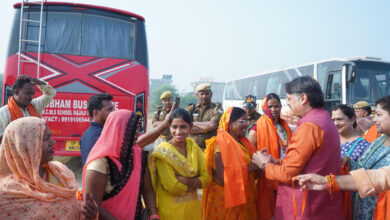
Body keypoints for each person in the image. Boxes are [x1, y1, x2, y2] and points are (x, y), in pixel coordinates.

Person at [252, 76, 343, 220]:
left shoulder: (309, 127)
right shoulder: (324, 120)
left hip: (304, 205)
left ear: (303, 98)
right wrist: (276, 162)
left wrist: (264, 164)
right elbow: (310, 163)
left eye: (289, 99)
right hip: (321, 201)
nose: (287, 104)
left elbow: (288, 174)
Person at [297, 95, 390, 220]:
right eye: (333, 120)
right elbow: (364, 169)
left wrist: (328, 182)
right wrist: (348, 162)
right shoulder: (379, 141)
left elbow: (379, 178)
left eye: (379, 115)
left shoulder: (365, 143)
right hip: (362, 205)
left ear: (351, 120)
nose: (374, 120)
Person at [0, 117, 98, 219]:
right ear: (24, 146)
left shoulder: (61, 173)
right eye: (46, 138)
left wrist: (88, 216)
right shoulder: (7, 195)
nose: (53, 142)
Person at [83, 109, 166, 220]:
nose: (137, 134)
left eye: (137, 129)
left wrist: (153, 213)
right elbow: (93, 206)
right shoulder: (99, 164)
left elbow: (147, 189)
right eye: (132, 129)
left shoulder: (138, 156)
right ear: (117, 131)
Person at [148, 108, 210, 220]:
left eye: (183, 127)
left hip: (193, 209)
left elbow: (206, 180)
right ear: (169, 127)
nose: (178, 132)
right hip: (171, 210)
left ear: (190, 127)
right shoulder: (163, 152)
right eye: (174, 127)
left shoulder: (193, 147)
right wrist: (196, 182)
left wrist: (185, 180)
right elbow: (171, 186)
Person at [202, 107, 259, 220]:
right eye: (242, 121)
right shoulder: (219, 145)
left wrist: (261, 163)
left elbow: (253, 176)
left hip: (244, 199)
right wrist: (250, 167)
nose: (246, 124)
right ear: (230, 122)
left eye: (247, 121)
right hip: (225, 201)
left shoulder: (245, 144)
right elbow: (222, 179)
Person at [247, 93, 292, 220]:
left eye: (277, 106)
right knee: (268, 211)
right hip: (266, 175)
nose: (274, 110)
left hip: (285, 171)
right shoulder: (256, 128)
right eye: (270, 106)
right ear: (264, 107)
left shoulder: (285, 126)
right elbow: (250, 153)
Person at [80, 93, 114, 167]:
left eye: (113, 109)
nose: (113, 112)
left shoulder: (87, 133)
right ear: (96, 113)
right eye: (109, 109)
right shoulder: (101, 136)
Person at [186, 83, 223, 149]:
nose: (204, 96)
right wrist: (206, 128)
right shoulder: (191, 108)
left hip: (210, 149)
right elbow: (186, 127)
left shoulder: (217, 108)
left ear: (211, 94)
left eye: (207, 94)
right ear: (197, 95)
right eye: (202, 94)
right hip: (192, 149)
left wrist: (193, 124)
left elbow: (213, 125)